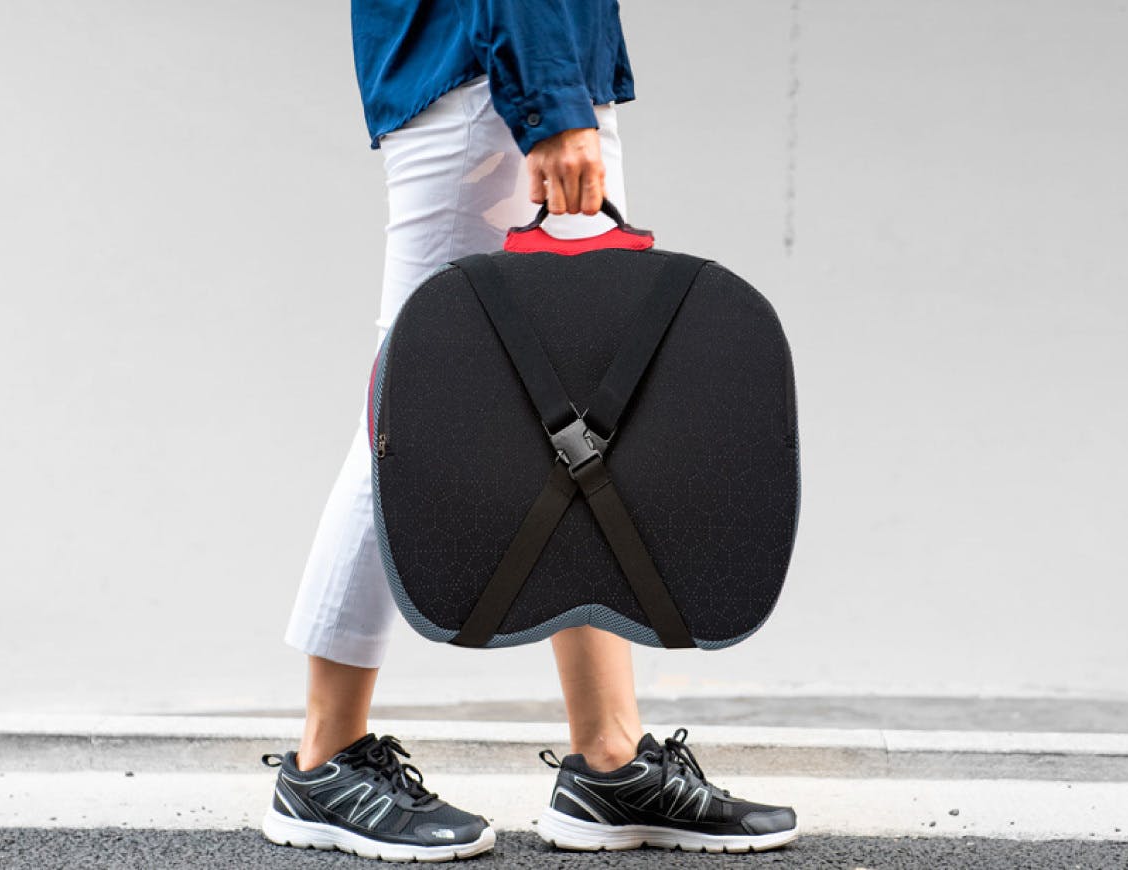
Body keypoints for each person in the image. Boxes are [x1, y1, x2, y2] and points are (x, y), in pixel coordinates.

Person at [259, 0, 799, 861]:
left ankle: (609, 759)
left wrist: (560, 90)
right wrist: (549, 104)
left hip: (519, 72)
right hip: (496, 81)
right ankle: (324, 759)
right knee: (407, 419)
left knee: (575, 423)